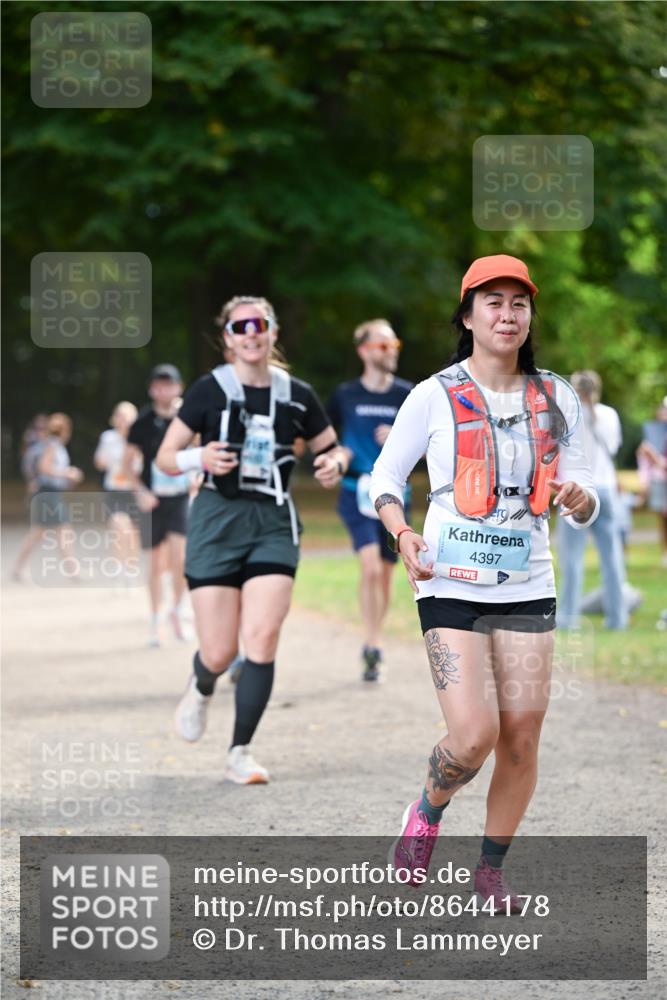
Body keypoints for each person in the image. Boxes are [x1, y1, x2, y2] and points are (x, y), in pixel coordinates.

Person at [369, 255, 598, 911]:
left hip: (526, 579)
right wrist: (402, 533)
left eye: (518, 303)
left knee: (521, 735)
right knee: (474, 735)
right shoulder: (433, 394)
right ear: (467, 315)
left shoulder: (557, 397)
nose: (506, 314)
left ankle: (490, 873)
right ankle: (427, 807)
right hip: (450, 579)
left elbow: (582, 501)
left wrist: (580, 501)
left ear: (529, 317)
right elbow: (382, 482)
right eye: (491, 302)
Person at [156, 295, 349, 785]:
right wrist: (199, 459)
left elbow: (333, 448)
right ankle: (201, 686)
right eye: (240, 326)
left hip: (272, 522)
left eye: (259, 323)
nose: (250, 333)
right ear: (228, 337)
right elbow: (165, 458)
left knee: (261, 638)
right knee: (219, 652)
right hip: (217, 521)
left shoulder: (297, 394)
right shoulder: (207, 391)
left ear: (272, 331)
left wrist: (335, 464)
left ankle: (240, 751)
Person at [328, 319, 413, 680]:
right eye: (382, 345)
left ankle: (373, 643)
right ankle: (373, 641)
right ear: (363, 350)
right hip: (355, 491)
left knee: (385, 578)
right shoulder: (345, 396)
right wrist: (337, 458)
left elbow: (431, 446)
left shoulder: (408, 395)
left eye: (394, 344)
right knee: (371, 567)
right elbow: (329, 441)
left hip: (394, 495)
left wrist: (400, 436)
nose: (390, 351)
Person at [122, 365, 191, 647]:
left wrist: (197, 477)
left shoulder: (189, 418)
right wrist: (140, 490)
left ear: (179, 387)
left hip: (180, 497)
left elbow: (199, 450)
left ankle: (177, 609)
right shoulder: (142, 422)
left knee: (180, 559)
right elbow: (126, 465)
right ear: (152, 389)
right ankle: (155, 619)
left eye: (169, 385)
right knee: (156, 563)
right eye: (158, 385)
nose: (164, 390)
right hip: (153, 499)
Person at [556, 371, 628, 630]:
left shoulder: (567, 414)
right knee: (612, 558)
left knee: (572, 559)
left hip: (577, 490)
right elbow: (615, 448)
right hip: (606, 489)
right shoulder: (609, 414)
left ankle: (567, 617)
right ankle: (617, 618)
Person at [12, 413, 84, 581]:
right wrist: (67, 473)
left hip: (48, 493)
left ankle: (18, 567)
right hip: (49, 493)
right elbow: (44, 467)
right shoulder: (53, 446)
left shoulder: (48, 444)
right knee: (63, 530)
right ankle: (73, 571)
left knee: (39, 533)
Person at [94, 401, 140, 582]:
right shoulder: (108, 438)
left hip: (134, 490)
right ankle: (120, 567)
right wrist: (111, 461)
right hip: (115, 489)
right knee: (119, 526)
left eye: (127, 416)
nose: (123, 420)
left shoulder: (139, 438)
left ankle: (131, 568)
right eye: (120, 415)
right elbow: (99, 462)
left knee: (133, 533)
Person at [637, 397, 667, 566]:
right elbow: (645, 465)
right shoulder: (654, 433)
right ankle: (665, 552)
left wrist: (654, 457)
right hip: (659, 480)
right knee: (662, 517)